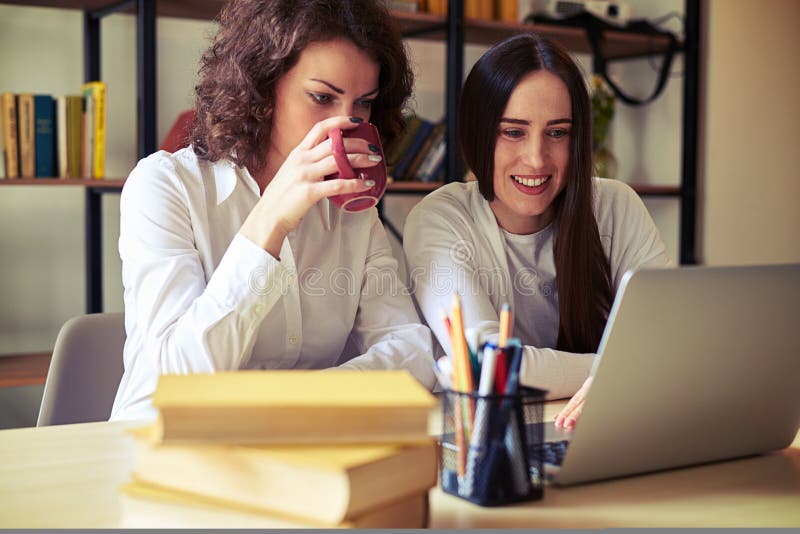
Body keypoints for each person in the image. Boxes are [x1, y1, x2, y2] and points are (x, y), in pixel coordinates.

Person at [111, 0, 436, 421]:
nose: (344, 124)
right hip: (159, 449)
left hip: (293, 443)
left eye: (364, 103)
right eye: (322, 97)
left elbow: (412, 353)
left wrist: (299, 398)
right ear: (262, 88)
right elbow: (179, 379)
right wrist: (272, 220)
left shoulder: (351, 205)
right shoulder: (165, 186)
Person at [403, 33, 669, 429]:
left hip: (603, 427)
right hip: (491, 439)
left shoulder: (615, 205)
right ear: (479, 132)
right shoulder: (440, 218)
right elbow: (489, 366)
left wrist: (629, 375)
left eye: (557, 132)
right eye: (513, 131)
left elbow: (671, 346)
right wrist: (618, 374)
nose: (536, 158)